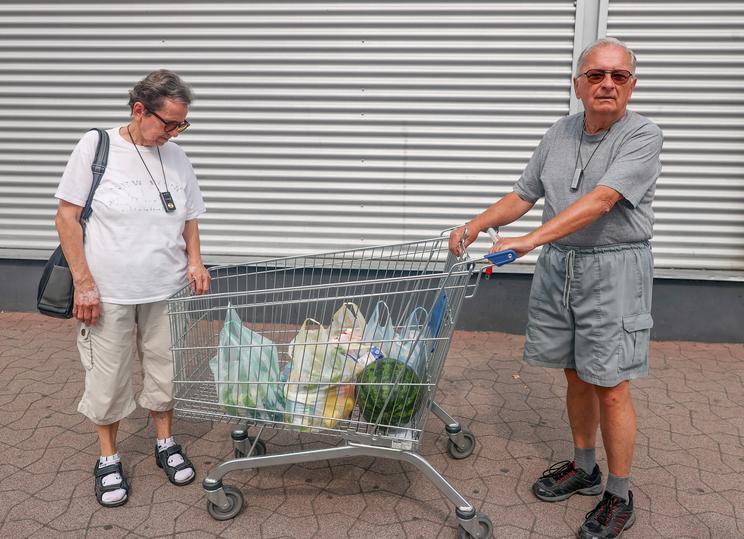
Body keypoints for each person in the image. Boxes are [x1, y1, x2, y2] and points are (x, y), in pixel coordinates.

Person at [449, 38, 662, 538]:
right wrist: (475, 224)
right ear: (578, 84)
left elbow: (602, 201)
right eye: (595, 75)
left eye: (618, 76)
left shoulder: (643, 136)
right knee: (574, 374)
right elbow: (525, 193)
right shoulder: (559, 133)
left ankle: (619, 494)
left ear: (631, 85)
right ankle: (584, 467)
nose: (606, 83)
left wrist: (528, 243)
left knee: (610, 385)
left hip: (614, 270)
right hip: (561, 267)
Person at [55, 69, 211, 508]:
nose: (176, 132)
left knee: (164, 372)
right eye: (169, 123)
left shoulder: (176, 156)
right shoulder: (96, 147)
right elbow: (66, 218)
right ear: (139, 110)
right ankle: (108, 458)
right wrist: (84, 284)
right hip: (110, 293)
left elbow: (189, 217)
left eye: (183, 124)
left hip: (166, 287)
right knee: (108, 379)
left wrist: (194, 260)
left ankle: (164, 442)